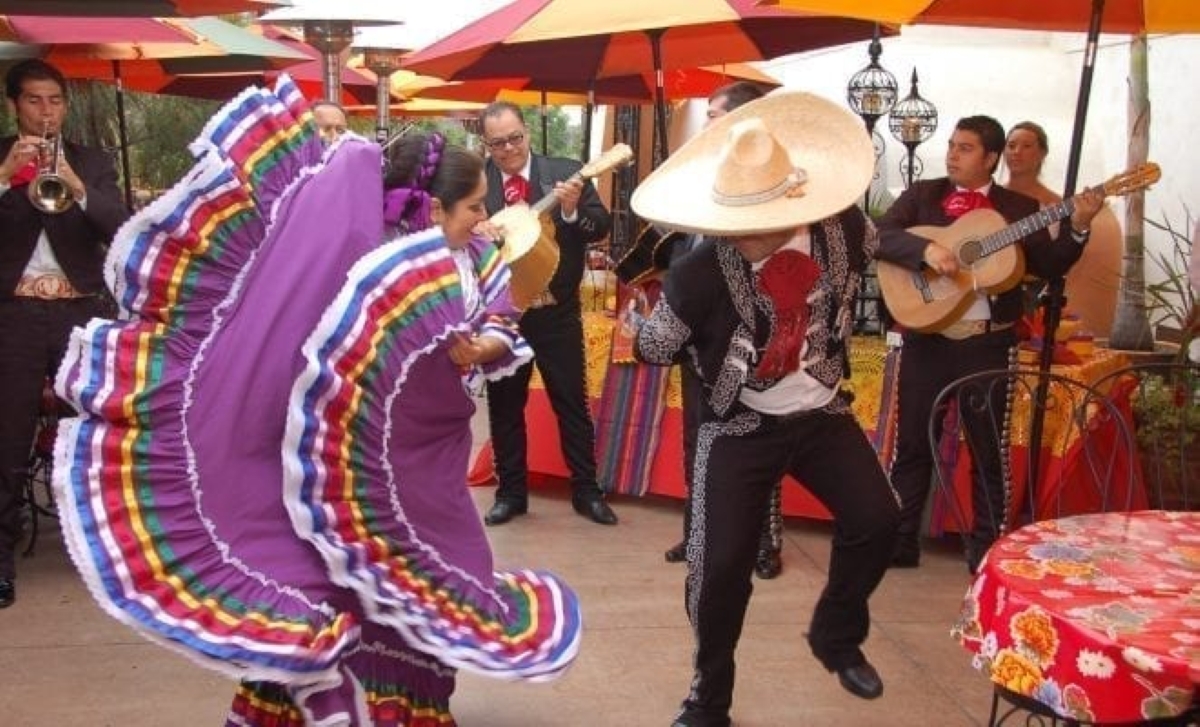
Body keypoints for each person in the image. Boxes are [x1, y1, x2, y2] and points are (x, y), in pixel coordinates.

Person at [52, 81, 581, 726]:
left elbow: (502, 314)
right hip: (370, 464)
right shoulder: (361, 263)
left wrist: (486, 344)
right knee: (349, 583)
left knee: (444, 572)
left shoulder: (471, 256)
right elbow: (309, 360)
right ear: (434, 208)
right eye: (471, 206)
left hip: (429, 464)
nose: (483, 218)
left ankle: (402, 702)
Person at [630, 90, 901, 726]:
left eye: (755, 220)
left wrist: (932, 261)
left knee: (879, 519)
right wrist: (651, 326)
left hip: (821, 410)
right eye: (731, 221)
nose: (740, 236)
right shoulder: (697, 270)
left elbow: (890, 247)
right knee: (719, 567)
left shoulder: (846, 231)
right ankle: (708, 697)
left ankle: (835, 636)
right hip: (738, 426)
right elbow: (654, 347)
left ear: (793, 206)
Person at [876, 115, 1104, 573]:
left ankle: (984, 550)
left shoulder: (1018, 208)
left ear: (991, 158)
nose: (952, 154)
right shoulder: (923, 195)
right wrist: (925, 251)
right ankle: (900, 542)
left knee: (987, 449)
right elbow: (880, 235)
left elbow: (1048, 263)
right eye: (953, 146)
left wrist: (1078, 224)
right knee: (914, 445)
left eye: (965, 148)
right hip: (928, 339)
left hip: (985, 344)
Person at [0, 59, 128, 610]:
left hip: (78, 314)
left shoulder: (93, 160)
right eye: (34, 101)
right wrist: (6, 177)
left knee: (90, 439)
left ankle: (97, 558)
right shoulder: (2, 158)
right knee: (6, 441)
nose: (45, 111)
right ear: (14, 105)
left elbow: (121, 226)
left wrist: (77, 187)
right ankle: (1, 565)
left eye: (54, 101)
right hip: (14, 314)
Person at [655, 81, 788, 580]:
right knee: (699, 439)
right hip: (697, 338)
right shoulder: (697, 179)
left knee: (756, 439)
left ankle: (763, 543)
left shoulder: (770, 183)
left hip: (751, 338)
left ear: (741, 122)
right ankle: (699, 534)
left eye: (713, 115)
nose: (705, 123)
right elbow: (685, 249)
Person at [477, 101, 619, 527]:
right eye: (497, 143)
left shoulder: (565, 171)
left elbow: (601, 225)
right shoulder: (477, 183)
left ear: (527, 133)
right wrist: (477, 232)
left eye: (515, 138)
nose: (509, 149)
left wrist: (572, 210)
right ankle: (511, 493)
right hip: (504, 315)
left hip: (558, 312)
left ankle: (586, 491)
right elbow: (452, 235)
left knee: (571, 403)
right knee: (504, 407)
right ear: (486, 144)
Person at [1002, 120, 1123, 338]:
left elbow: (1061, 256)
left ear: (1042, 154)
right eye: (1011, 146)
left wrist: (1081, 222)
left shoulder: (1057, 204)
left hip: (1029, 297)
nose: (1016, 152)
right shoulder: (989, 198)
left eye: (1026, 146)